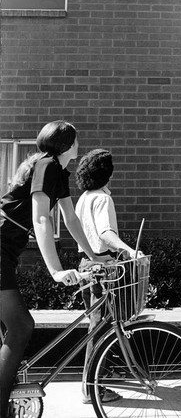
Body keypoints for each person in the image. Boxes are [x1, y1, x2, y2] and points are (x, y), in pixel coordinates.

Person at [0, 120, 109, 418]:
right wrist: (56, 271)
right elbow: (41, 220)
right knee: (21, 327)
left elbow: (70, 220)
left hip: (6, 252)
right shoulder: (46, 166)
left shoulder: (58, 172)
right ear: (66, 145)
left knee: (11, 332)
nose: (79, 144)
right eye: (75, 140)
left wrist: (95, 256)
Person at [75, 149, 139, 404]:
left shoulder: (83, 199)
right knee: (101, 329)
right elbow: (105, 233)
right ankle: (92, 389)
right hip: (103, 268)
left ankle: (102, 372)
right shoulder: (102, 199)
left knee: (98, 327)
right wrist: (129, 249)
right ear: (107, 173)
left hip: (85, 266)